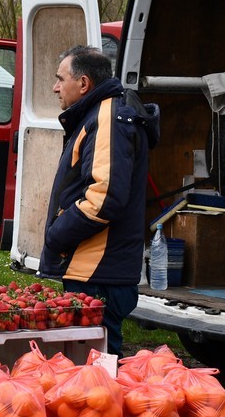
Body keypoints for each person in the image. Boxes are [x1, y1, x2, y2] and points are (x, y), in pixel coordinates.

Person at [37, 45, 159, 358]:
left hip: (99, 275)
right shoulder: (96, 114)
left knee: (97, 380)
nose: (55, 87)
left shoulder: (108, 118)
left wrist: (57, 234)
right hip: (95, 272)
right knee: (88, 379)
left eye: (60, 79)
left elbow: (105, 198)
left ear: (84, 84)